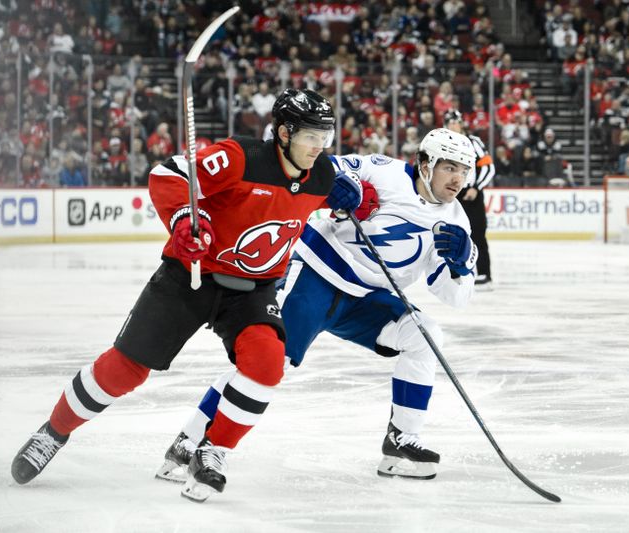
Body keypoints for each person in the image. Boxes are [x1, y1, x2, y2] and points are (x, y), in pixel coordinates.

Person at [9, 88, 362, 502]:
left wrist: (355, 198)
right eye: (310, 137)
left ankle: (213, 451)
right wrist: (182, 220)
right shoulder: (239, 157)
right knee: (125, 369)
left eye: (325, 137)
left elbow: (348, 191)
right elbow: (167, 176)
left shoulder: (321, 173)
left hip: (252, 290)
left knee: (266, 363)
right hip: (192, 275)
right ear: (283, 133)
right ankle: (53, 432)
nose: (319, 147)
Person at [156, 128, 478, 485]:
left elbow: (456, 297)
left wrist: (460, 265)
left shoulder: (456, 221)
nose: (458, 178)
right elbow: (313, 170)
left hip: (367, 301)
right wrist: (338, 184)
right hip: (317, 278)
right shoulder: (383, 169)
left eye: (464, 170)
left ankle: (400, 440)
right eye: (449, 167)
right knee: (268, 361)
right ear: (424, 163)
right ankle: (189, 441)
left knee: (425, 335)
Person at [443, 110, 495, 290]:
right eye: (449, 122)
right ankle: (455, 273)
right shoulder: (442, 144)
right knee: (450, 235)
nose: (452, 125)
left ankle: (484, 274)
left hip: (470, 194)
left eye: (455, 122)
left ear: (461, 123)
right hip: (450, 194)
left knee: (478, 234)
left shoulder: (474, 142)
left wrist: (476, 187)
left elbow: (488, 167)